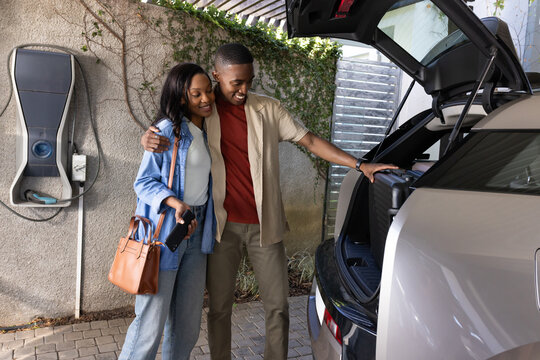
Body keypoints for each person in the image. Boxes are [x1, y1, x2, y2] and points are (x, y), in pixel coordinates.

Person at [141, 44, 397, 359]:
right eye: (236, 83)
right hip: (221, 228)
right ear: (217, 75)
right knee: (219, 308)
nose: (243, 89)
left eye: (249, 80)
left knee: (278, 306)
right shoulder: (204, 111)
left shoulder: (269, 110)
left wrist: (359, 164)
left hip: (266, 225)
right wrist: (147, 135)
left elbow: (311, 140)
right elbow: (170, 125)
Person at [119, 62, 216, 360]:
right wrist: (175, 203)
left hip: (197, 233)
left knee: (186, 327)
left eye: (209, 91)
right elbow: (143, 182)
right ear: (181, 96)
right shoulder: (167, 131)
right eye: (196, 93)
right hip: (165, 234)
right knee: (150, 323)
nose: (206, 99)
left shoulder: (211, 129)